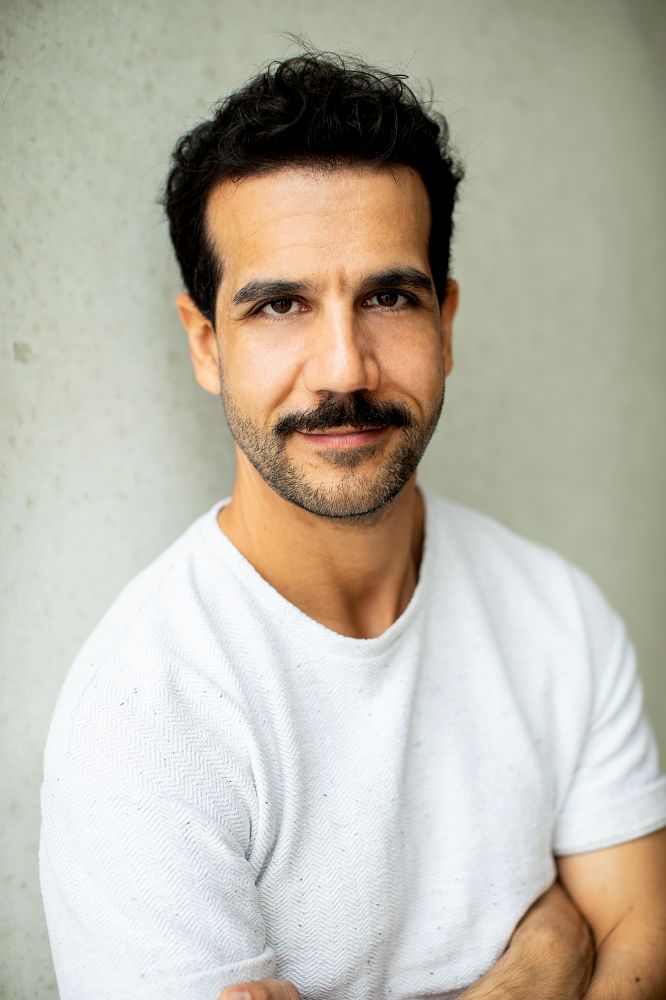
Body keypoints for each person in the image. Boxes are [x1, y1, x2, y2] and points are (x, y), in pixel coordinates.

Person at [39, 50, 666, 1000]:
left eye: (388, 297)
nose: (345, 368)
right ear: (206, 345)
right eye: (280, 304)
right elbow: (596, 943)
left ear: (445, 324)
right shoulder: (142, 717)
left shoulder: (559, 615)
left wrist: (600, 947)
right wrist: (541, 966)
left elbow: (642, 938)